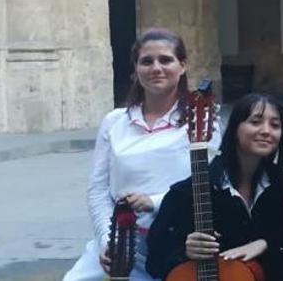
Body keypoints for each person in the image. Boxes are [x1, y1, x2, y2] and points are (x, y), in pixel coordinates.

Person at [63, 29, 220, 281]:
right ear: (136, 69)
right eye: (147, 61)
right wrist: (108, 240)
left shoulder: (200, 120)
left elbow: (209, 184)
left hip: (175, 241)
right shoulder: (115, 122)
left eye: (165, 60)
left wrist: (153, 202)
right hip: (124, 238)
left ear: (182, 66)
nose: (156, 68)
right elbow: (98, 190)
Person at [146, 94, 283, 281]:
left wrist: (266, 243)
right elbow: (155, 258)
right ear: (235, 129)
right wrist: (184, 251)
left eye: (275, 125)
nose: (266, 131)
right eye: (255, 122)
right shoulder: (187, 193)